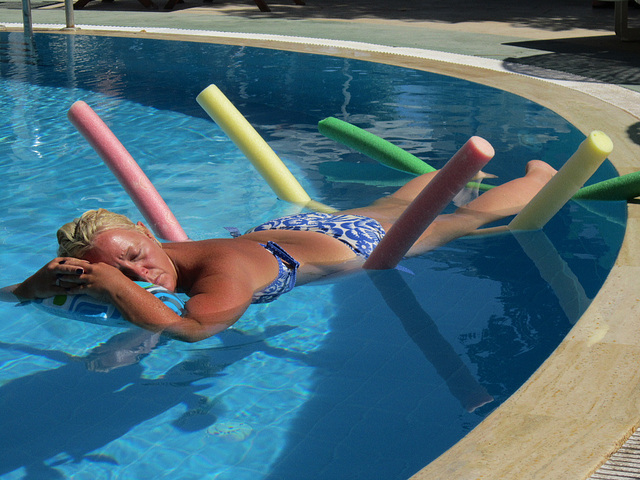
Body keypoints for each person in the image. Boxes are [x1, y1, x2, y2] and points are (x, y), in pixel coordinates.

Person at [4, 161, 556, 342]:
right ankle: (462, 172)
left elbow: (196, 330)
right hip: (283, 229)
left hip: (345, 248)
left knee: (460, 222)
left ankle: (540, 174)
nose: (135, 270)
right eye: (118, 268)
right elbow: (9, 297)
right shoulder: (170, 254)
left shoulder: (221, 271)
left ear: (149, 232)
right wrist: (33, 287)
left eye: (134, 254)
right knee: (392, 201)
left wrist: (118, 286)